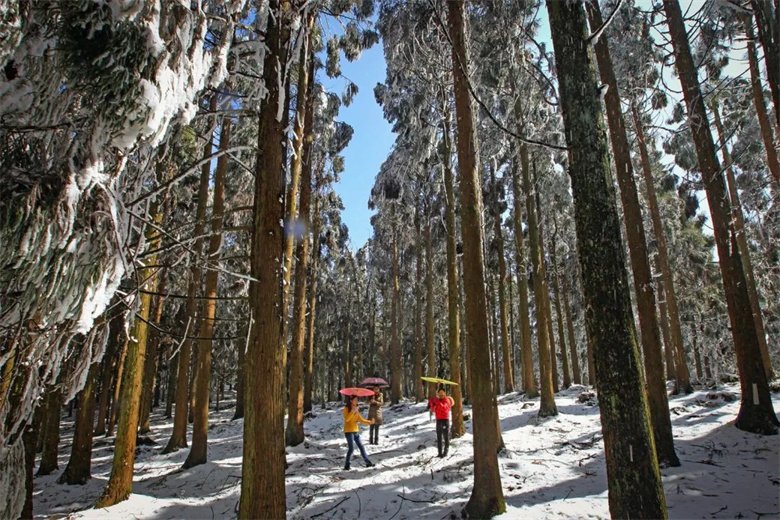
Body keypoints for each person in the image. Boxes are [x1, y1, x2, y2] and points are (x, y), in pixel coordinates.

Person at [342, 395, 375, 470]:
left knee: (361, 447)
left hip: (355, 431)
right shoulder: (346, 409)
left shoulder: (356, 409)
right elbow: (347, 419)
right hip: (349, 431)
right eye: (355, 400)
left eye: (357, 400)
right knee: (351, 449)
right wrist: (352, 411)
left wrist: (370, 422)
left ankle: (368, 463)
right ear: (351, 401)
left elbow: (361, 420)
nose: (357, 401)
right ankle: (347, 466)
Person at [428, 385, 454, 457]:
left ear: (445, 393)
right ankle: (439, 453)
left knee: (445, 437)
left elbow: (443, 407)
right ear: (438, 394)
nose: (441, 394)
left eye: (442, 393)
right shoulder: (437, 400)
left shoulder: (447, 400)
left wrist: (436, 401)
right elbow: (433, 410)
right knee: (439, 437)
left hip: (445, 420)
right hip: (438, 420)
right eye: (440, 393)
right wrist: (432, 404)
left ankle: (445, 452)